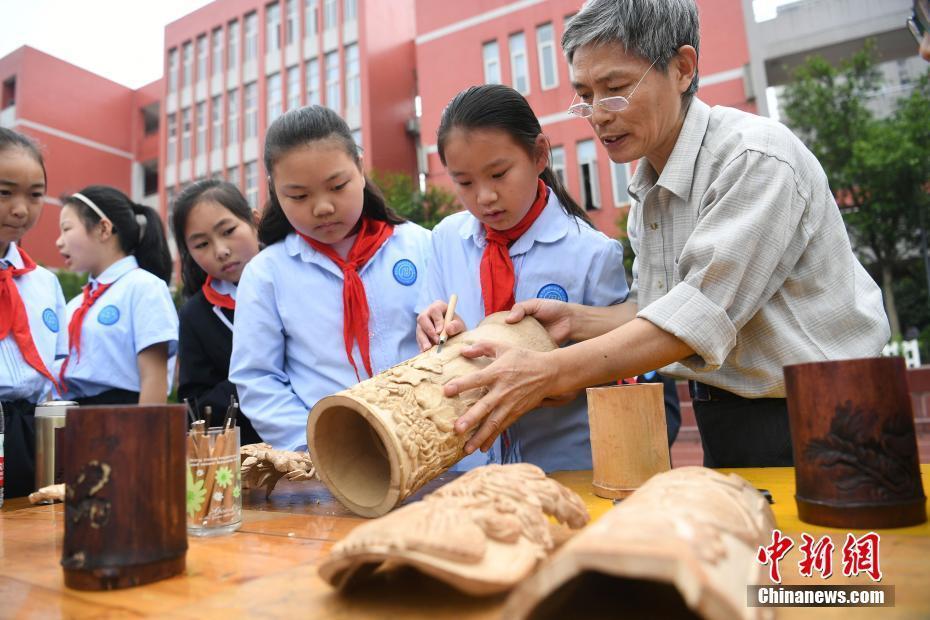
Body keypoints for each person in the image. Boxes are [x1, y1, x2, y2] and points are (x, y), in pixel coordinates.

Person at [443, 0, 890, 468]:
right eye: (585, 94)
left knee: (831, 544)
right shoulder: (650, 186)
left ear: (682, 68)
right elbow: (658, 308)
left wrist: (549, 371)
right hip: (730, 416)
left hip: (829, 416)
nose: (597, 114)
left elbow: (693, 321)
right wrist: (574, 321)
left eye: (615, 89)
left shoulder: (754, 159)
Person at [416, 85, 628, 472]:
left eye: (499, 174)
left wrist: (567, 380)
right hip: (470, 464)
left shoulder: (592, 253)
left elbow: (625, 365)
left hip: (565, 465)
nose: (485, 197)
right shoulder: (446, 239)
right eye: (464, 182)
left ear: (540, 154)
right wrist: (436, 330)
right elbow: (439, 338)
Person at [230, 106, 431, 451]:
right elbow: (258, 378)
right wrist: (319, 448)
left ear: (360, 166)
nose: (322, 207)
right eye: (299, 196)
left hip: (430, 445)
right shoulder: (267, 274)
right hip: (332, 464)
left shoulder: (419, 245)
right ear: (273, 189)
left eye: (337, 186)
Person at [56, 185, 177, 405]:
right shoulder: (74, 305)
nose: (59, 241)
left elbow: (154, 379)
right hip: (70, 420)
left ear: (103, 229)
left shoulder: (144, 287)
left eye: (66, 229)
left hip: (123, 418)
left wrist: (145, 438)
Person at [0, 128, 67, 497]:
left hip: (33, 429)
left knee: (33, 529)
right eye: (4, 192)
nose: (21, 209)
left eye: (35, 195)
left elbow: (58, 360)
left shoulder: (44, 282)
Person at [173, 179, 262, 444]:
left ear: (255, 221)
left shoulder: (301, 274)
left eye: (228, 230)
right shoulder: (195, 316)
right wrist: (253, 379)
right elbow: (196, 409)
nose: (221, 251)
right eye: (202, 245)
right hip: (250, 458)